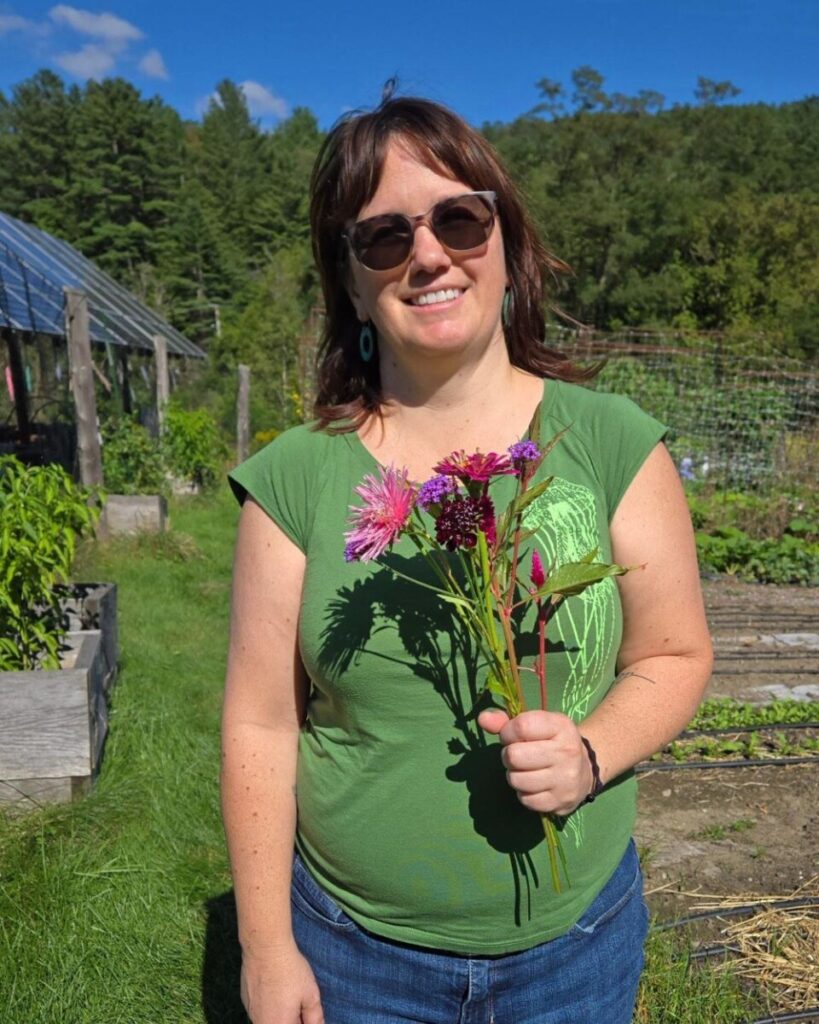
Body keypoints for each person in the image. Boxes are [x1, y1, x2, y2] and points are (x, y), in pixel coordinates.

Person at [222, 92, 713, 1024]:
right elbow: (258, 726)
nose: (430, 255)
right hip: (354, 953)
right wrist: (265, 946)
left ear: (504, 241)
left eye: (458, 218)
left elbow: (675, 656)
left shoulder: (609, 442)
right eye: (383, 239)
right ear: (352, 281)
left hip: (575, 948)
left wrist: (591, 754)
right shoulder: (296, 479)